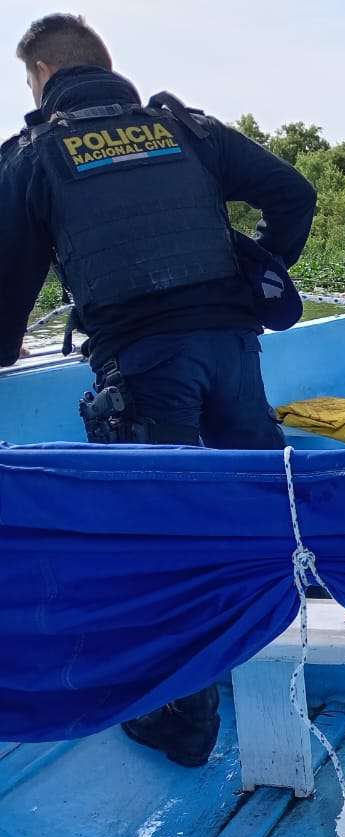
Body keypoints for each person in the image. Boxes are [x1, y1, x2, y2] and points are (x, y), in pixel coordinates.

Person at [0, 14, 317, 767]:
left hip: (142, 367)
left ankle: (184, 718)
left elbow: (9, 277)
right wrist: (261, 269)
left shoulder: (36, 153)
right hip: (233, 349)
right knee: (269, 506)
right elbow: (293, 193)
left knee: (157, 537)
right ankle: (299, 636)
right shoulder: (188, 129)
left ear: (42, 76)